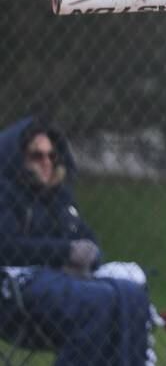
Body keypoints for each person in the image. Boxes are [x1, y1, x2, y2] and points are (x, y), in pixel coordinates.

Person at [0, 116, 156, 366]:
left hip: (63, 284)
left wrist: (88, 254)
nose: (47, 162)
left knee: (132, 295)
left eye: (52, 155)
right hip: (17, 291)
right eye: (37, 156)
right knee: (97, 303)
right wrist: (65, 251)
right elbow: (8, 247)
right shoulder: (5, 194)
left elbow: (86, 238)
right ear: (17, 158)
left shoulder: (58, 198)